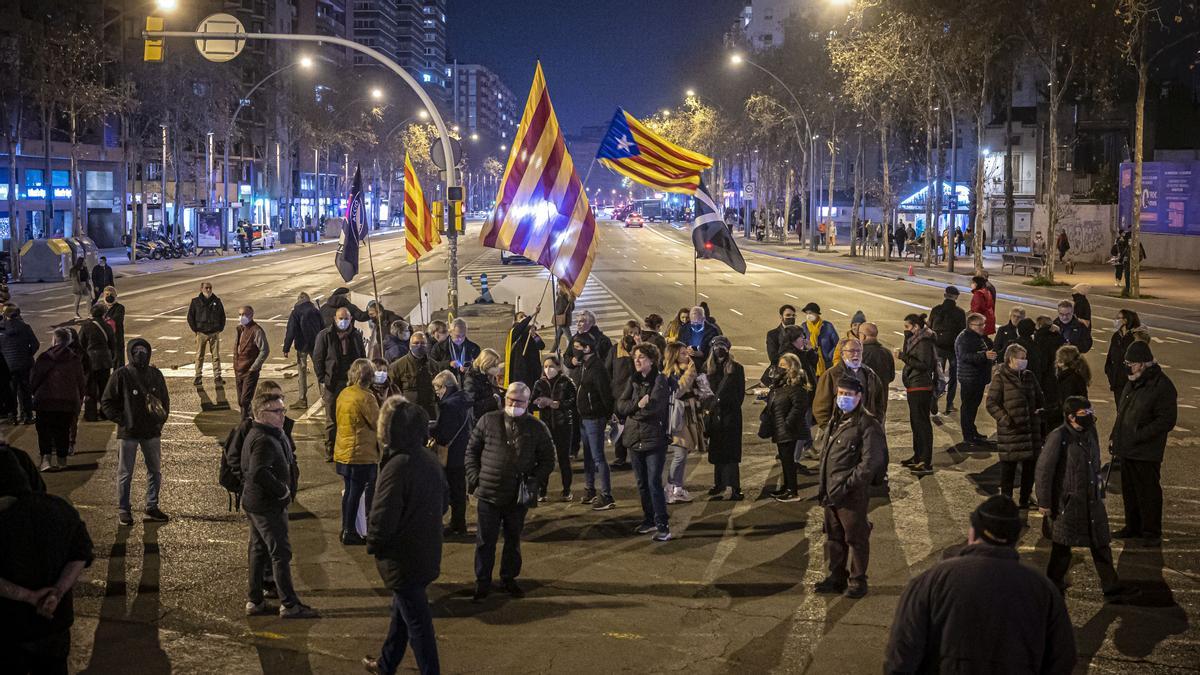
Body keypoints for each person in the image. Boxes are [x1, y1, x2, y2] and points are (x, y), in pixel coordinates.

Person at [884, 496, 1076, 673]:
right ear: (1014, 538)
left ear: (973, 532)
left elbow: (902, 653)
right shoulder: (1043, 590)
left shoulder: (932, 581)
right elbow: (1062, 658)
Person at [364, 396, 448, 675]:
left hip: (403, 557)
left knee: (418, 624)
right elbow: (445, 502)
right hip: (425, 551)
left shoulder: (398, 465)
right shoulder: (428, 459)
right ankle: (386, 664)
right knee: (402, 614)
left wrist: (374, 543)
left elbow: (382, 514)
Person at [0, 450, 94, 674]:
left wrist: (30, 597)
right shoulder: (59, 508)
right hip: (55, 623)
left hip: (9, 627)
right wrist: (57, 593)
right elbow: (81, 554)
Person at [1037, 396, 1136, 602]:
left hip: (1091, 500)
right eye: (1084, 414)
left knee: (1100, 544)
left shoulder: (1090, 432)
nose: (1089, 417)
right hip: (1069, 502)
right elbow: (1045, 471)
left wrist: (1099, 492)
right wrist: (1045, 503)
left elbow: (1096, 463)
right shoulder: (1059, 436)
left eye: (1090, 412)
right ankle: (1052, 585)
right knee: (1062, 547)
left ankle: (1111, 587)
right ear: (1071, 416)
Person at [465, 382, 555, 601]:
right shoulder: (488, 421)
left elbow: (548, 459)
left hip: (517, 495)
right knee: (485, 541)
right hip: (489, 493)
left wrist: (533, 481)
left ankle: (508, 578)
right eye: (511, 400)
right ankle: (482, 581)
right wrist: (476, 479)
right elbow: (472, 452)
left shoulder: (537, 427)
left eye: (519, 401)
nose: (514, 404)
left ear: (527, 402)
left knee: (513, 540)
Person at [241, 391, 318, 619]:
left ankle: (255, 600)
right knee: (280, 553)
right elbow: (258, 471)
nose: (283, 415)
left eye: (283, 410)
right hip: (267, 505)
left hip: (255, 503)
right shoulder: (264, 439)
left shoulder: (264, 432)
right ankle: (289, 604)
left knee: (258, 549)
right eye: (277, 411)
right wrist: (282, 490)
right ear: (262, 414)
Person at [815, 377, 886, 599]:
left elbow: (870, 463)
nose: (844, 398)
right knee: (834, 537)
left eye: (849, 395)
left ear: (859, 397)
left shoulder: (867, 424)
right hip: (831, 491)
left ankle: (858, 580)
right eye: (841, 394)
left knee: (856, 538)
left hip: (850, 494)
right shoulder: (836, 421)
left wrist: (848, 485)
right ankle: (837, 577)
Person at [1110, 341, 1176, 547]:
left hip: (1147, 451)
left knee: (1148, 491)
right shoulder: (1133, 382)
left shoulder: (1161, 385)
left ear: (1143, 363)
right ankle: (1133, 526)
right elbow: (1122, 413)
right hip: (1128, 448)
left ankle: (1150, 531)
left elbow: (1166, 420)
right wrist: (1115, 435)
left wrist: (1139, 434)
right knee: (1129, 491)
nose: (1128, 366)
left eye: (1131, 363)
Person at [101, 338, 170, 526]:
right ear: (130, 353)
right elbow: (107, 402)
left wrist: (159, 424)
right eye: (136, 350)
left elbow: (164, 400)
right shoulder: (121, 375)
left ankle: (152, 505)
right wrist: (123, 420)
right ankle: (124, 509)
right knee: (125, 473)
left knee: (155, 471)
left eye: (143, 350)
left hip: (151, 432)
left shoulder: (155, 374)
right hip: (129, 433)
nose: (140, 354)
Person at [616, 343, 673, 540]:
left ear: (651, 359)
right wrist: (637, 405)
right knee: (641, 483)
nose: (637, 361)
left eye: (641, 357)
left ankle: (662, 524)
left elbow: (654, 407)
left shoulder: (660, 380)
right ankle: (648, 520)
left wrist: (635, 411)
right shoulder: (633, 380)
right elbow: (621, 406)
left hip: (653, 439)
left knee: (653, 482)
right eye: (635, 357)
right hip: (634, 438)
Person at [986, 344, 1045, 508]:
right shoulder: (1001, 377)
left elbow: (1040, 397)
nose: (1024, 361)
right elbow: (991, 403)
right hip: (1011, 432)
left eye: (1025, 358)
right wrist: (1005, 419)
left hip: (1030, 431)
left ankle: (1024, 500)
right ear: (1011, 358)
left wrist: (1040, 414)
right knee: (1008, 472)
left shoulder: (1029, 376)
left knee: (1029, 470)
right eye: (1021, 358)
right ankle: (1006, 503)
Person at [334, 359, 380, 546]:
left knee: (350, 492)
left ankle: (346, 527)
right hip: (360, 452)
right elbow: (377, 423)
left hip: (344, 450)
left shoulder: (344, 394)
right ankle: (349, 531)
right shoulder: (366, 397)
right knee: (356, 492)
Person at [313, 307, 367, 461]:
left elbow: (361, 357)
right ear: (335, 319)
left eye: (346, 318)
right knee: (332, 418)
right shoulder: (325, 335)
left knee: (352, 416)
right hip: (333, 383)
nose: (343, 321)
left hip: (352, 383)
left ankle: (349, 447)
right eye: (340, 318)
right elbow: (318, 358)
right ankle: (330, 449)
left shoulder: (355, 335)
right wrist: (322, 378)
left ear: (350, 319)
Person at [569, 333, 616, 510]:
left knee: (598, 457)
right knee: (588, 456)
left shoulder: (596, 368)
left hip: (594, 418)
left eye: (578, 347)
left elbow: (606, 395)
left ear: (587, 348)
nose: (575, 350)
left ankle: (606, 495)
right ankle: (590, 490)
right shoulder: (584, 366)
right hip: (584, 417)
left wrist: (605, 415)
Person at [30, 328, 86, 472]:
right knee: (62, 431)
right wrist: (79, 399)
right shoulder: (74, 359)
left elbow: (35, 378)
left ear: (54, 340)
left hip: (45, 401)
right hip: (66, 402)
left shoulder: (44, 357)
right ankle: (62, 461)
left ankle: (46, 461)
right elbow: (81, 382)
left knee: (44, 432)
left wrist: (32, 392)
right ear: (68, 341)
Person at [763, 352, 813, 502]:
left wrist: (787, 424)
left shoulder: (797, 384)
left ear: (792, 367)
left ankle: (792, 491)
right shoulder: (780, 383)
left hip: (788, 429)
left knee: (789, 461)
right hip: (780, 426)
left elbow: (799, 407)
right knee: (785, 460)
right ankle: (787, 487)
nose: (780, 368)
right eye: (780, 365)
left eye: (784, 365)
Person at [663, 341, 708, 504]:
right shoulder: (670, 373)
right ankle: (669, 487)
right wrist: (690, 373)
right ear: (674, 355)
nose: (687, 356)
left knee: (684, 452)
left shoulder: (691, 369)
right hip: (677, 417)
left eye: (686, 353)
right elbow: (678, 391)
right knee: (680, 454)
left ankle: (678, 488)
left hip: (690, 415)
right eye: (683, 353)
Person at [813, 337, 887, 429]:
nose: (856, 354)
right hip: (841, 431)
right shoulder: (831, 375)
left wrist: (876, 422)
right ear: (842, 354)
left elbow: (879, 402)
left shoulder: (870, 374)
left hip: (866, 429)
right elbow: (820, 408)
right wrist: (832, 430)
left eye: (858, 351)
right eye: (851, 351)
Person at [432, 370, 473, 536]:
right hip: (462, 451)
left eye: (437, 389)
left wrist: (429, 430)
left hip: (451, 454)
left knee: (450, 489)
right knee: (459, 489)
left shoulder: (448, 405)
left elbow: (443, 433)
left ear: (446, 387)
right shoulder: (464, 400)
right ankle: (459, 523)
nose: (437, 393)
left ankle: (456, 524)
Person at [896, 314, 938, 474]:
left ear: (916, 327)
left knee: (922, 424)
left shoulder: (924, 341)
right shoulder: (915, 339)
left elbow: (923, 365)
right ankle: (918, 456)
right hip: (914, 385)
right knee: (915, 423)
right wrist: (906, 339)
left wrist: (903, 357)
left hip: (921, 386)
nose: (905, 330)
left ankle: (925, 461)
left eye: (907, 327)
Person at [705, 336, 745, 501]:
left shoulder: (736, 368)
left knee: (731, 453)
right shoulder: (708, 369)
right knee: (717, 451)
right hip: (714, 416)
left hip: (730, 416)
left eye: (722, 347)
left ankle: (734, 487)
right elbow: (704, 391)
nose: (719, 351)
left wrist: (724, 402)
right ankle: (719, 484)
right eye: (716, 347)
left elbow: (740, 395)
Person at [532, 354, 576, 502]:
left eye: (551, 366)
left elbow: (573, 401)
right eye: (545, 367)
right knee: (544, 458)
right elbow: (532, 401)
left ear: (558, 367)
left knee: (564, 459)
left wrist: (558, 404)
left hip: (563, 425)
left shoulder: (567, 382)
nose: (548, 369)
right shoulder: (539, 383)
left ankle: (567, 489)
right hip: (545, 425)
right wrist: (538, 402)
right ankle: (542, 490)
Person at [954, 313, 997, 446]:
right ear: (971, 325)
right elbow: (964, 356)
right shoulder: (965, 338)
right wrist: (984, 356)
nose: (983, 327)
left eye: (983, 324)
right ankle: (968, 436)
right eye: (979, 325)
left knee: (973, 407)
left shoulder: (978, 336)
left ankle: (972, 431)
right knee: (968, 407)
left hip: (977, 377)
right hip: (969, 378)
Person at [928, 286, 966, 414]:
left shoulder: (936, 310)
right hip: (953, 348)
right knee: (953, 377)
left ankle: (935, 398)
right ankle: (949, 404)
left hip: (938, 347)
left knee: (938, 375)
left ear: (945, 295)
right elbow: (963, 333)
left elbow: (929, 327)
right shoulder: (960, 312)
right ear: (956, 297)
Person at [282, 292, 323, 409]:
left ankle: (302, 399)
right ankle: (324, 396)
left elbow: (291, 330)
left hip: (302, 347)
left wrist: (286, 348)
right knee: (320, 371)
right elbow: (323, 327)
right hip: (316, 345)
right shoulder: (315, 311)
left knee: (302, 372)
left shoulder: (296, 312)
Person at [0, 304, 39, 424]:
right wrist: (27, 354)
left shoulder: (1, 329)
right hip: (24, 363)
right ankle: (27, 416)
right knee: (25, 390)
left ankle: (12, 416)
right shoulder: (25, 327)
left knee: (11, 390)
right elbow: (35, 344)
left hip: (7, 364)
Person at [388, 332, 437, 420]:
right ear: (410, 345)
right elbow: (393, 392)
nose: (419, 346)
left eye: (422, 343)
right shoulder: (397, 366)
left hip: (429, 412)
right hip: (408, 413)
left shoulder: (434, 365)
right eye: (416, 343)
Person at [78, 304, 115, 422]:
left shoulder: (86, 326)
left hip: (90, 361)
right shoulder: (107, 326)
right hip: (104, 360)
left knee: (90, 388)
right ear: (103, 314)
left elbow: (80, 343)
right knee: (104, 387)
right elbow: (112, 344)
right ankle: (105, 413)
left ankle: (91, 414)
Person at [187, 281, 226, 386]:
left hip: (214, 333)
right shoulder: (195, 302)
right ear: (201, 289)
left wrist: (219, 329)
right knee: (199, 355)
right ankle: (198, 376)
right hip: (201, 333)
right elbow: (190, 317)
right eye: (206, 288)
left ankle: (217, 376)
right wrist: (196, 330)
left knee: (216, 355)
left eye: (210, 288)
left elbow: (222, 315)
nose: (208, 290)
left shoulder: (217, 301)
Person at [234, 306, 270, 419]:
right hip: (239, 369)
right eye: (239, 314)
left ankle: (245, 423)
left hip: (250, 371)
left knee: (245, 400)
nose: (241, 317)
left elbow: (265, 350)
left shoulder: (256, 330)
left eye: (244, 314)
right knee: (241, 401)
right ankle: (250, 420)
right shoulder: (240, 329)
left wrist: (254, 367)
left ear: (251, 315)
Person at [1104, 309, 1140, 407]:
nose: (1115, 320)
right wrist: (1110, 373)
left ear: (1125, 321)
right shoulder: (1116, 336)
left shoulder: (1134, 338)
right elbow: (1110, 357)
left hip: (1130, 382)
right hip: (1117, 383)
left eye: (1118, 318)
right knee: (1120, 410)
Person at [1051, 345, 1090, 425]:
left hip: (1069, 424)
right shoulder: (1076, 376)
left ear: (1062, 362)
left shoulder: (1069, 380)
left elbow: (1065, 406)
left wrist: (1045, 413)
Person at [798, 302, 839, 377]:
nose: (808, 315)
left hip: (827, 363)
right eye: (807, 313)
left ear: (817, 313)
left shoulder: (827, 326)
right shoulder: (804, 327)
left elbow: (837, 344)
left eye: (810, 313)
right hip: (810, 362)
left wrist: (829, 356)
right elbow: (801, 344)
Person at [504, 312, 544, 388]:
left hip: (532, 367)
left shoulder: (531, 332)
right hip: (520, 368)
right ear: (516, 321)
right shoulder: (514, 331)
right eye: (521, 317)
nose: (524, 318)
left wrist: (534, 335)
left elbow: (541, 346)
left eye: (525, 316)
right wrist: (531, 315)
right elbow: (520, 327)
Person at [464, 348, 503, 420]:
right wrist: (494, 400)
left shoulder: (489, 376)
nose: (498, 368)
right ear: (486, 365)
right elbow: (472, 408)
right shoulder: (471, 380)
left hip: (489, 417)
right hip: (480, 421)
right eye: (495, 366)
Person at [859, 323, 895, 389]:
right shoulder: (887, 352)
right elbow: (891, 377)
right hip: (882, 394)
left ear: (863, 336)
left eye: (859, 334)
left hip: (865, 394)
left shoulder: (859, 353)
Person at [98, 286, 126, 367]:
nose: (109, 296)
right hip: (104, 341)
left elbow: (116, 320)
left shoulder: (119, 307)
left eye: (111, 294)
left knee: (118, 363)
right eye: (107, 294)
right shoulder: (101, 308)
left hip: (116, 339)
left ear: (115, 296)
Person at [552, 279, 575, 353]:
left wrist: (556, 313)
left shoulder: (562, 296)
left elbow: (559, 309)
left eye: (558, 285)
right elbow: (572, 308)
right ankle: (552, 352)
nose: (558, 286)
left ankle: (575, 351)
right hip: (566, 319)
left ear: (561, 286)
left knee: (570, 338)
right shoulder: (570, 295)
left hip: (562, 320)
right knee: (558, 337)